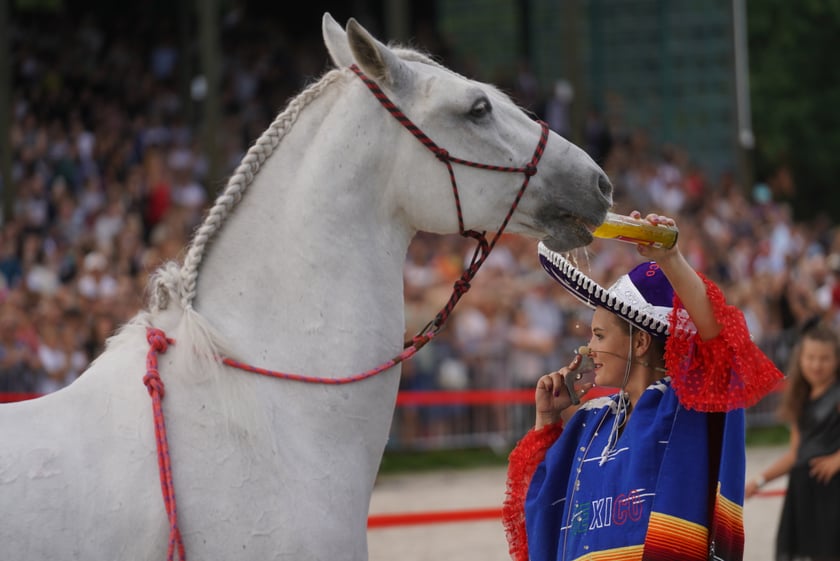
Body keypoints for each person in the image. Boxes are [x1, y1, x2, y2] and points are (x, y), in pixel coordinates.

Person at [503, 212, 784, 561]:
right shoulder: (590, 422)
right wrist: (547, 420)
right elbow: (542, 511)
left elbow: (721, 346)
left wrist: (670, 258)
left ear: (639, 343)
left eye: (599, 335)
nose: (588, 348)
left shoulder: (686, 407)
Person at [745, 322, 840, 561]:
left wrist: (837, 459)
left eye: (824, 358)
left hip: (833, 495)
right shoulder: (800, 398)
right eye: (811, 357)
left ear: (837, 360)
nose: (816, 365)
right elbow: (795, 454)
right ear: (801, 359)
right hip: (804, 493)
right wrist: (759, 481)